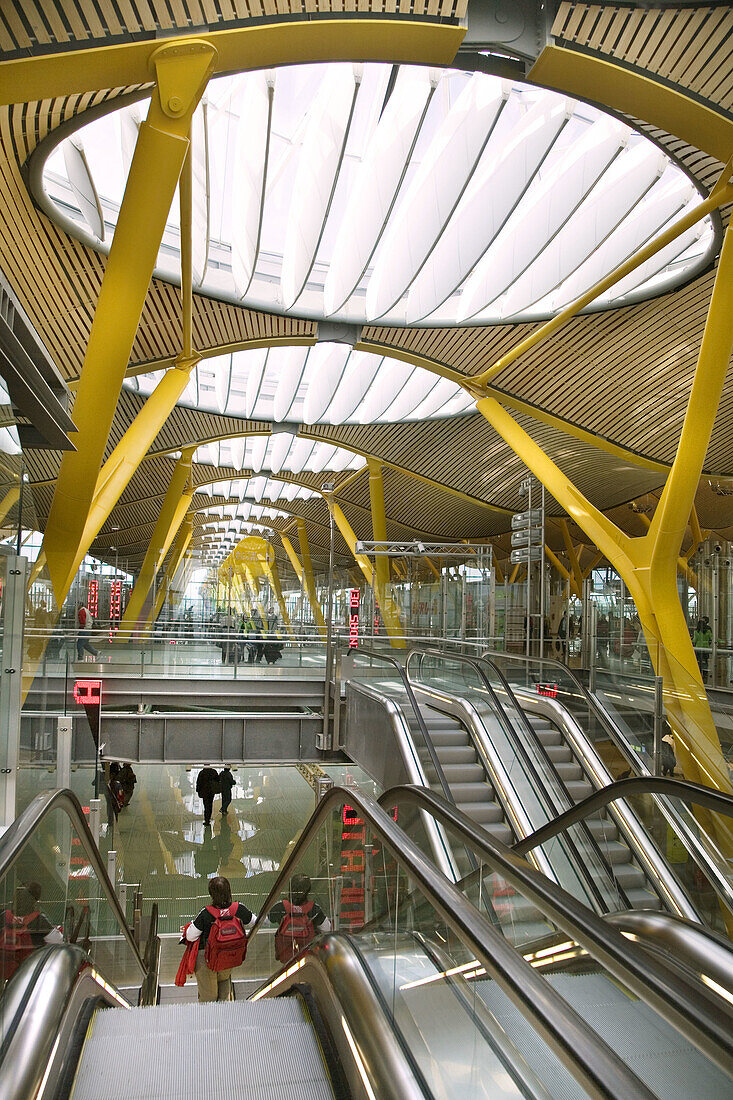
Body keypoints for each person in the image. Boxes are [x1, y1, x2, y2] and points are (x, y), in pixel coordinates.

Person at [185, 876, 253, 1002]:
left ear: (211, 894)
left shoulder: (206, 913)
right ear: (229, 891)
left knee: (208, 997)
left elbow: (190, 936)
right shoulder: (238, 909)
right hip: (228, 957)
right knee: (224, 986)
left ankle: (210, 1019)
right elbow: (257, 921)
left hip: (207, 960)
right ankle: (224, 1014)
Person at [268, 873, 331, 965]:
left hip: (286, 957)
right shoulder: (314, 908)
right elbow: (327, 929)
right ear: (308, 891)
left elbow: (264, 921)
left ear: (290, 888)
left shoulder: (280, 907)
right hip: (307, 957)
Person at [693, 617, 713, 682]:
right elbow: (711, 638)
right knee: (705, 661)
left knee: (699, 661)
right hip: (706, 648)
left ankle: (699, 673)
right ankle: (705, 674)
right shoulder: (708, 631)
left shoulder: (696, 631)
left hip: (698, 648)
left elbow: (694, 640)